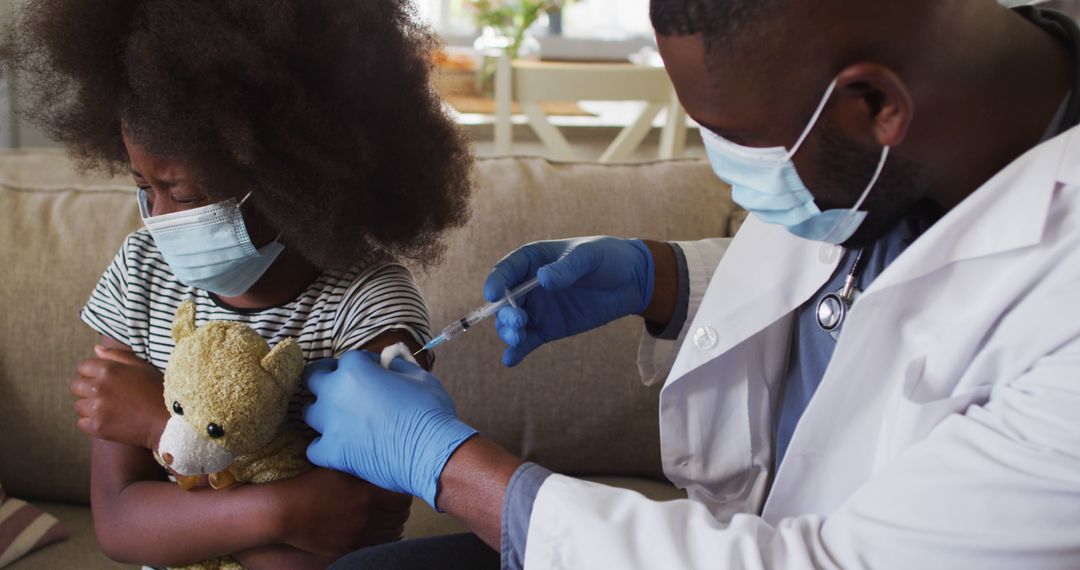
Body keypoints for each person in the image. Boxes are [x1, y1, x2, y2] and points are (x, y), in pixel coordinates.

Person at [304, 0, 1080, 568]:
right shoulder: (919, 129)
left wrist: (447, 465)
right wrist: (660, 280)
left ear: (875, 105)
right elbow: (863, 304)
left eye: (741, 142)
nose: (736, 180)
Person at [0, 1, 474, 568]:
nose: (159, 217)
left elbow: (348, 532)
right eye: (143, 186)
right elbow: (121, 527)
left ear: (290, 180)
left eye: (185, 192)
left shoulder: (368, 310)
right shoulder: (141, 274)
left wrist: (158, 425)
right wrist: (286, 511)